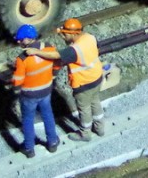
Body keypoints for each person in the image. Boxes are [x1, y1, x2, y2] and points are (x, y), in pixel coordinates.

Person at [27, 18, 104, 142]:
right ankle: (100, 128)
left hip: (84, 83)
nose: (62, 37)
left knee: (84, 109)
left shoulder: (75, 50)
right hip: (96, 77)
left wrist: (36, 52)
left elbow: (56, 56)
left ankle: (85, 133)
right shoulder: (90, 37)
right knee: (95, 102)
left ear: (72, 34)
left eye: (64, 34)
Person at [11, 24, 60, 158]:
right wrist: (53, 77)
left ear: (28, 39)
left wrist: (14, 87)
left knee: (27, 120)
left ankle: (29, 148)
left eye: (21, 40)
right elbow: (56, 64)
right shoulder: (49, 48)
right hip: (46, 90)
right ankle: (53, 142)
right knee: (48, 115)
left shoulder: (22, 59)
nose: (19, 42)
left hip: (29, 95)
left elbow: (17, 80)